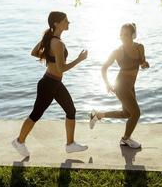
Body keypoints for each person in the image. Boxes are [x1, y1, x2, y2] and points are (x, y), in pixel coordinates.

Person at [12, 11, 88, 156]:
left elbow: (34, 52)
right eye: (65, 20)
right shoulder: (58, 43)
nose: (68, 22)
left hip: (54, 83)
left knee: (71, 110)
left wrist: (49, 58)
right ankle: (19, 141)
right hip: (48, 84)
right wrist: (80, 59)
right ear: (56, 23)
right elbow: (62, 68)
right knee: (36, 114)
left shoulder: (50, 39)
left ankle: (70, 144)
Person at [89, 23, 149, 149]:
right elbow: (104, 67)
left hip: (130, 85)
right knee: (136, 113)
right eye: (121, 34)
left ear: (133, 35)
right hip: (121, 86)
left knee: (127, 113)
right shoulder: (117, 52)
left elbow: (143, 62)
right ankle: (125, 139)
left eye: (126, 34)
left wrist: (144, 64)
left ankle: (97, 115)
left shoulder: (139, 47)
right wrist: (107, 83)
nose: (122, 37)